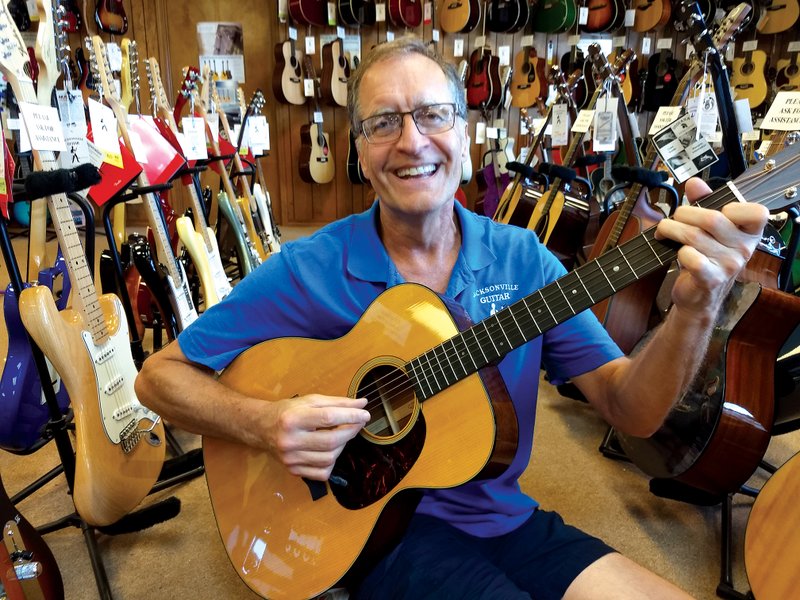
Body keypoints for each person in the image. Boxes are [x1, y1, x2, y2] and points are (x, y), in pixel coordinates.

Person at [135, 36, 768, 599]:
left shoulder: (525, 262)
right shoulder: (310, 267)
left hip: (506, 518)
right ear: (358, 150)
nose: (412, 142)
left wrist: (695, 306)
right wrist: (264, 421)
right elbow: (158, 377)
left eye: (433, 115)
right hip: (372, 533)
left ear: (462, 133)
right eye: (384, 122)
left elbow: (632, 411)